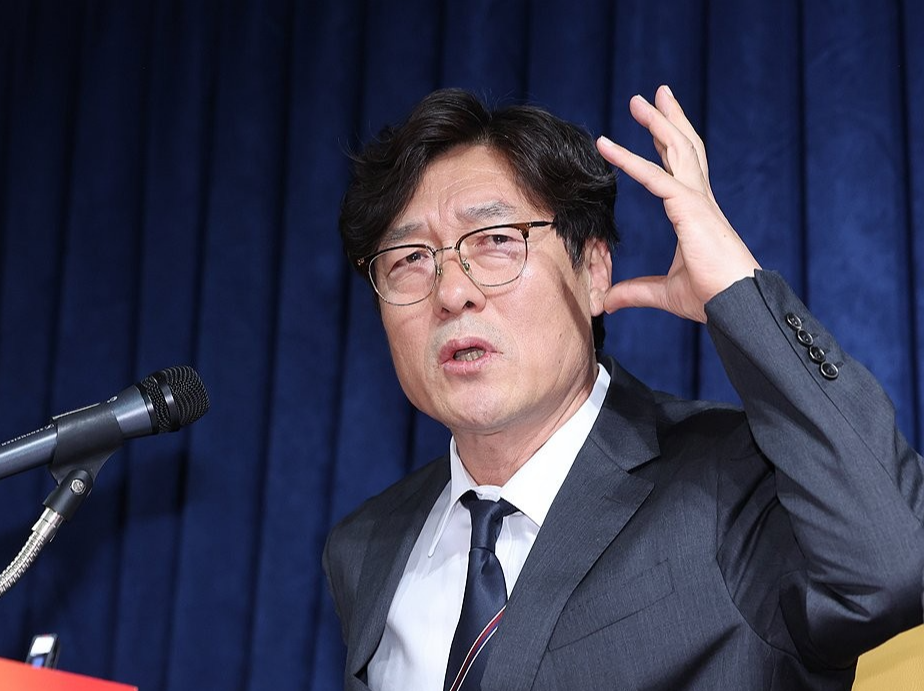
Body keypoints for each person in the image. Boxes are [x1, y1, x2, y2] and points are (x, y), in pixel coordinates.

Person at [322, 86, 924, 690]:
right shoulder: (366, 546)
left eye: (497, 239)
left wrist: (738, 291)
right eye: (409, 258)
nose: (452, 291)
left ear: (593, 269)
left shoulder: (736, 479)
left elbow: (892, 565)